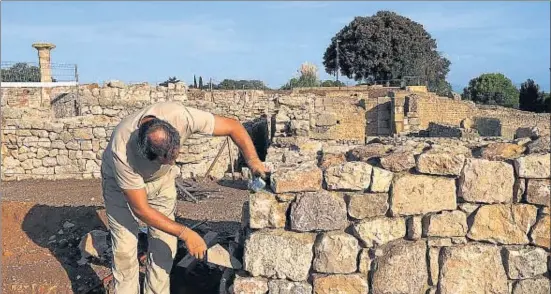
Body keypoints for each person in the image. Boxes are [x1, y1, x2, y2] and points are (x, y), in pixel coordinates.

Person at [100, 101, 267, 294]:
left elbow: (233, 126)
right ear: (147, 154)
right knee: (125, 248)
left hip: (161, 183)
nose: (173, 162)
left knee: (164, 245)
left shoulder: (180, 116)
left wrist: (253, 161)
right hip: (119, 186)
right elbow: (141, 210)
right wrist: (186, 233)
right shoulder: (122, 151)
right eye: (167, 159)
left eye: (175, 155)